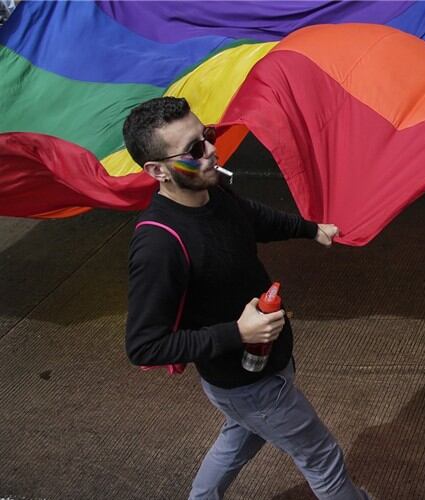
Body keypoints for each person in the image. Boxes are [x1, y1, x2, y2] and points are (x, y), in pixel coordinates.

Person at [123, 97, 369, 500]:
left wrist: (309, 229)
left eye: (208, 134)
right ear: (157, 171)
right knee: (323, 458)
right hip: (246, 383)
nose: (212, 150)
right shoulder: (158, 245)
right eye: (195, 149)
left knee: (241, 437)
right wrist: (237, 333)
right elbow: (144, 346)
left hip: (265, 367)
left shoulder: (212, 192)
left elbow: (251, 219)